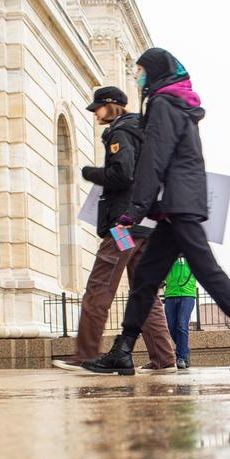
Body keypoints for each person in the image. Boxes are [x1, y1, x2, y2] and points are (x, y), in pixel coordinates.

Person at [83, 47, 230, 375]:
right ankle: (123, 349)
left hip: (180, 205)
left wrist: (135, 209)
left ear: (156, 72)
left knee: (208, 274)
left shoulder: (163, 103)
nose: (138, 77)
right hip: (175, 206)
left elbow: (154, 158)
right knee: (145, 279)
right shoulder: (175, 103)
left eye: (142, 70)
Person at [52, 86, 176, 375]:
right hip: (147, 224)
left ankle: (85, 355)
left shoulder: (120, 133)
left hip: (125, 226)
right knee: (144, 291)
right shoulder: (143, 131)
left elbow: (122, 174)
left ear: (112, 106)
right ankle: (164, 357)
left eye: (98, 107)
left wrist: (90, 173)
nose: (95, 112)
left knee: (99, 286)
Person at [164, 255, 197, 369]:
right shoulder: (168, 254)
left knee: (182, 324)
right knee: (171, 326)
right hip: (170, 294)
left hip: (187, 295)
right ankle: (184, 350)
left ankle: (181, 357)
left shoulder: (192, 253)